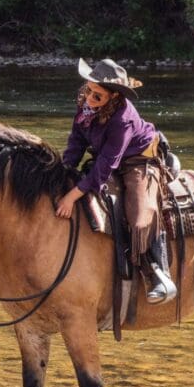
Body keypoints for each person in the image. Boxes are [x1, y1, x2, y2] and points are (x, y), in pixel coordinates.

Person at [52, 58, 177, 304]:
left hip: (137, 160)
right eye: (87, 90)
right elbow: (76, 141)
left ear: (114, 98)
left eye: (97, 96)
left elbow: (106, 164)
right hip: (106, 155)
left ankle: (159, 273)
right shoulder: (86, 106)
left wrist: (73, 195)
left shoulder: (123, 119)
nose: (89, 98)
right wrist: (65, 170)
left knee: (140, 215)